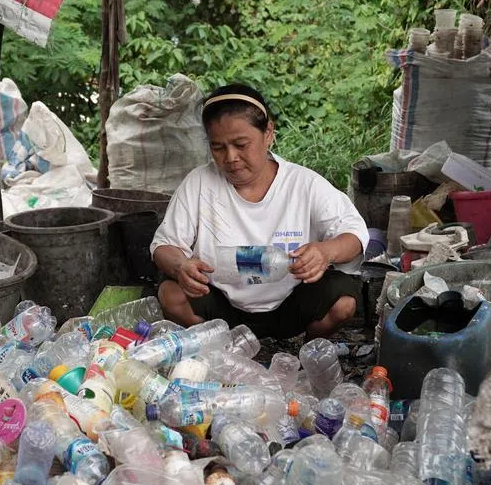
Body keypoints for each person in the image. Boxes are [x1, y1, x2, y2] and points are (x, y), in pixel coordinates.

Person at [150, 84, 369, 340]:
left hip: (291, 305)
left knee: (343, 301)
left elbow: (354, 234)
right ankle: (221, 349)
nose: (230, 157)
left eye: (241, 144)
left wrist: (325, 251)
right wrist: (180, 266)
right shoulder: (199, 183)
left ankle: (306, 352)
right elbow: (163, 245)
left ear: (268, 133)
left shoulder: (303, 184)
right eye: (218, 147)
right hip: (222, 310)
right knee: (171, 294)